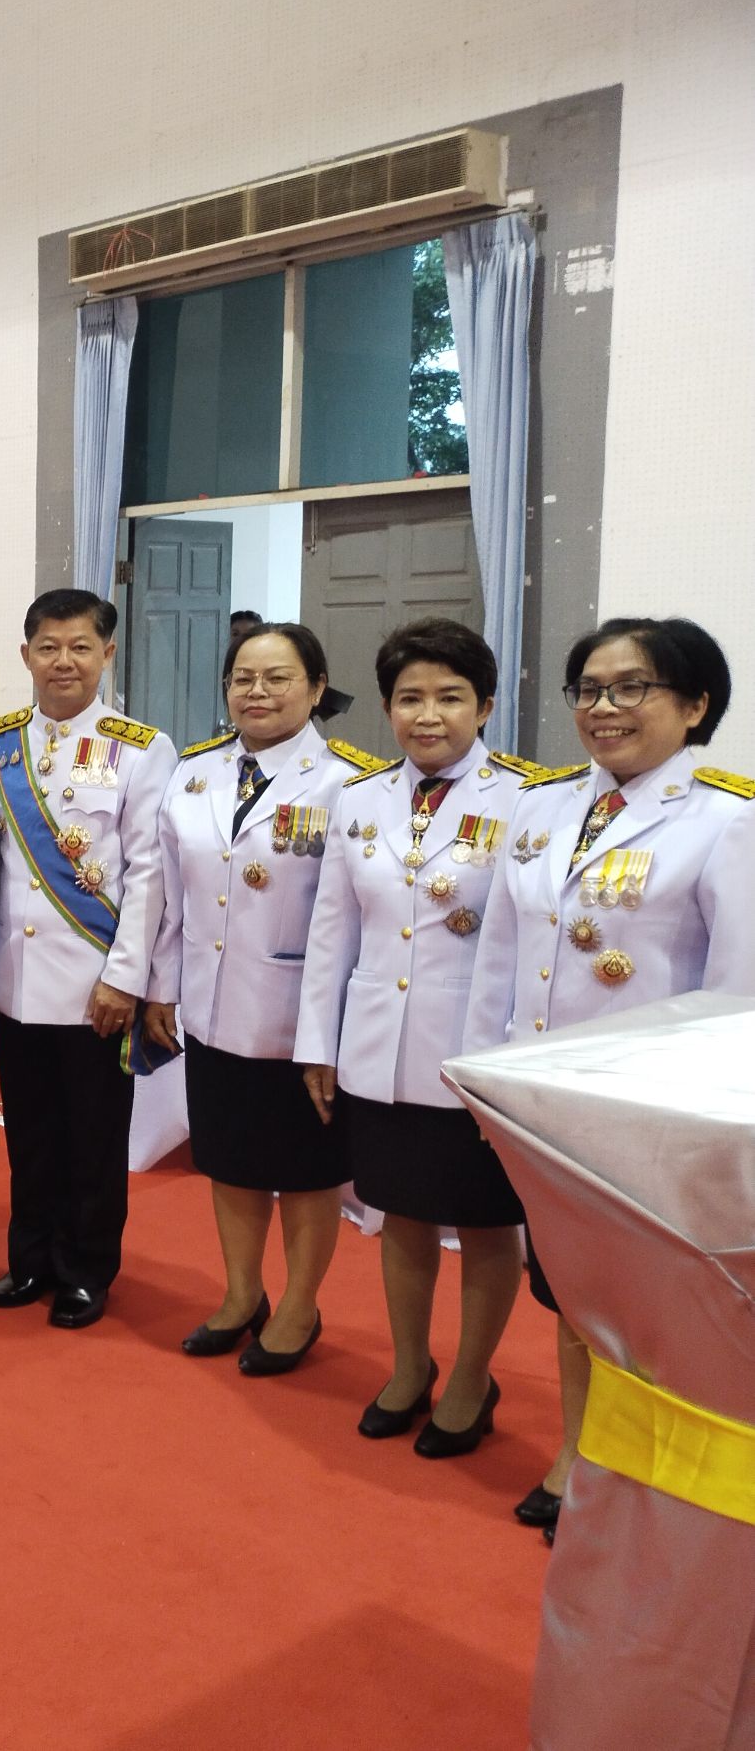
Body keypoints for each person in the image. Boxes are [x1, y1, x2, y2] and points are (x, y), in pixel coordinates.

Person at [464, 616, 754, 1540]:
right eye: (588, 688)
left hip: (650, 1121)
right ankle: (582, 1448)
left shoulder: (726, 818)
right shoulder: (545, 806)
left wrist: (699, 1132)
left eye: (632, 688)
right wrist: (486, 1084)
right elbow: (501, 958)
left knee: (649, 1307)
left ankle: (641, 1477)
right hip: (549, 1107)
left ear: (695, 703)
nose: (604, 708)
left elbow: (737, 999)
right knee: (575, 1287)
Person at [294, 617, 532, 1462]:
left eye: (449, 697)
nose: (427, 715)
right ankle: (407, 1365)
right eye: (409, 698)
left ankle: (471, 1374)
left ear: (487, 705)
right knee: (401, 1212)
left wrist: (504, 1068)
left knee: (486, 1220)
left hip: (469, 1055)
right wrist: (317, 1042)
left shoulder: (528, 801)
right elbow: (334, 932)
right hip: (377, 1049)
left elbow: (524, 943)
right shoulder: (357, 798)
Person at [147, 622, 376, 1373]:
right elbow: (170, 898)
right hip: (212, 1007)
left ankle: (301, 1305)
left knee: (306, 1172)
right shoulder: (196, 770)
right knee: (231, 1160)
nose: (257, 691)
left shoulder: (351, 782)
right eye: (243, 676)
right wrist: (160, 985)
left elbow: (356, 920)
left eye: (278, 677)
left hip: (298, 1020)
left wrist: (329, 1035)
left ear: (315, 688)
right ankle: (242, 1293)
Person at [0, 588, 173, 1329]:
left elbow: (150, 871)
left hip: (94, 979)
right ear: (25, 654)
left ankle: (86, 1269)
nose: (64, 661)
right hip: (13, 978)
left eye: (80, 646)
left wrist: (127, 975)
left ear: (107, 654)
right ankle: (28, 1259)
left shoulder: (142, 747)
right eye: (49, 647)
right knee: (27, 1129)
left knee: (93, 1133)